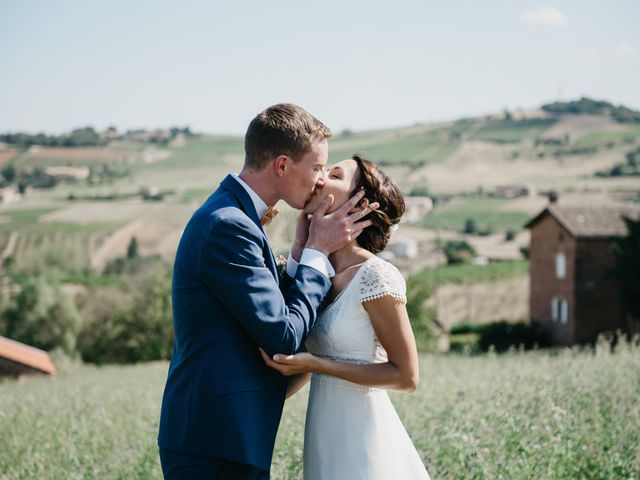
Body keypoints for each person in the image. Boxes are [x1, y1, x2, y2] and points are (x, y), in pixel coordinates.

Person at [157, 104, 378, 480]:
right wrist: (317, 253)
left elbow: (271, 310)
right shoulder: (229, 225)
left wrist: (299, 255)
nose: (320, 179)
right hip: (215, 442)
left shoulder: (233, 215)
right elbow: (284, 335)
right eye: (316, 167)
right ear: (282, 165)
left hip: (226, 437)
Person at [261, 155, 431, 479]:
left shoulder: (376, 276)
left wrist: (315, 364)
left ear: (359, 204)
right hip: (323, 435)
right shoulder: (317, 275)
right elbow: (305, 357)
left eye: (334, 174)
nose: (321, 177)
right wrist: (301, 247)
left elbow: (407, 377)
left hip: (362, 436)